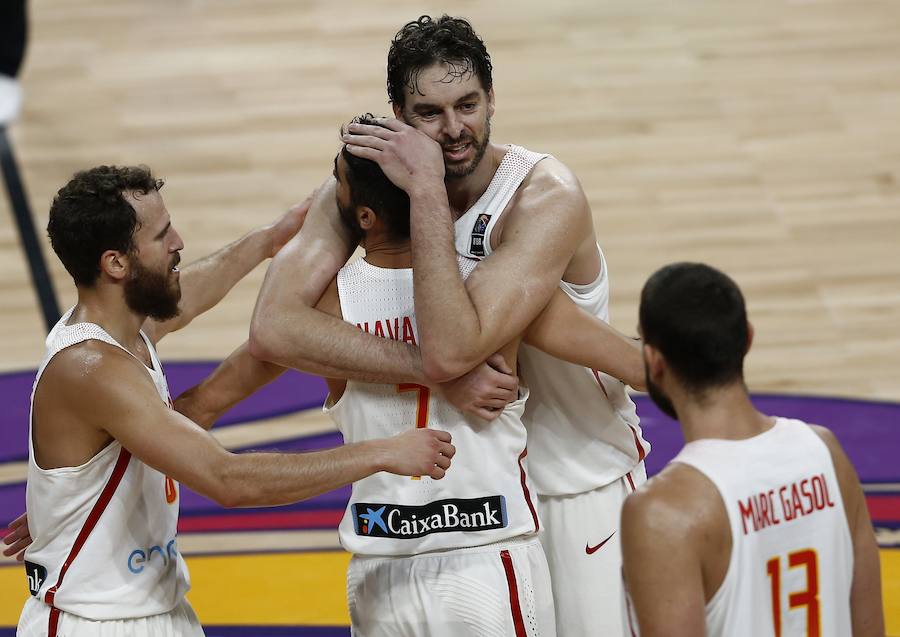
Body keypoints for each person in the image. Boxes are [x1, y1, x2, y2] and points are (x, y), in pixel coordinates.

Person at [250, 16, 648, 635]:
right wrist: (442, 378)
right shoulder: (371, 184)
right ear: (398, 118)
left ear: (492, 98)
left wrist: (428, 190)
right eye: (429, 112)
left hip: (578, 483)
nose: (454, 128)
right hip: (474, 505)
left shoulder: (543, 194)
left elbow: (455, 347)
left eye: (468, 104)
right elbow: (274, 326)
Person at [16, 165, 456, 637]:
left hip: (149, 609)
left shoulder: (123, 332)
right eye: (162, 235)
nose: (179, 242)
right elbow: (229, 480)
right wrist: (382, 452)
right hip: (95, 624)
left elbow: (189, 295)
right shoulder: (93, 368)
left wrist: (270, 238)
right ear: (116, 264)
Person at [620, 262, 884, 636]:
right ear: (747, 338)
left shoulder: (663, 511)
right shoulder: (825, 451)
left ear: (654, 362)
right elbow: (871, 627)